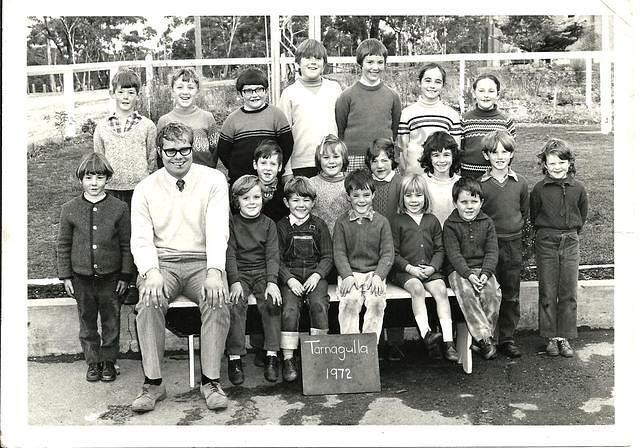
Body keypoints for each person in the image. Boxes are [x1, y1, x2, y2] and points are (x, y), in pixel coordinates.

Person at [129, 122, 230, 412]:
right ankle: (153, 383)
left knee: (217, 299)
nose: (178, 156)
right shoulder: (146, 188)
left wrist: (214, 271)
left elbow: (217, 228)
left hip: (202, 261)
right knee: (149, 301)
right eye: (171, 150)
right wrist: (150, 272)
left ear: (192, 148)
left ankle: (210, 381)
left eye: (184, 149)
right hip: (164, 263)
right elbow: (141, 237)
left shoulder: (213, 180)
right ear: (160, 152)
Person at [56, 153, 132, 383]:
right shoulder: (69, 209)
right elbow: (63, 244)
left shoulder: (119, 208)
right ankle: (93, 362)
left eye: (100, 177)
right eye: (89, 177)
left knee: (111, 321)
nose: (94, 183)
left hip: (111, 278)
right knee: (87, 322)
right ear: (81, 179)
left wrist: (125, 275)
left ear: (107, 179)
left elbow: (127, 244)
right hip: (82, 278)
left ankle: (109, 361)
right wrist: (66, 276)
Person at [93, 67, 157, 304]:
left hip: (139, 190)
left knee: (137, 235)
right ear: (113, 93)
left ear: (137, 95)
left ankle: (133, 281)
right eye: (122, 92)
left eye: (131, 92)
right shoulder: (102, 127)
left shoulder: (147, 126)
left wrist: (148, 184)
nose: (126, 97)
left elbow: (152, 159)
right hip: (112, 190)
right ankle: (113, 280)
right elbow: (98, 160)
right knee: (114, 235)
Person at [390, 174, 458, 362]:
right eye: (409, 196)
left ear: (425, 198)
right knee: (417, 289)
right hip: (405, 272)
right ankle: (426, 333)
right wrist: (410, 268)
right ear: (402, 198)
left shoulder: (432, 220)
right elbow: (393, 253)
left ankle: (448, 341)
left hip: (429, 270)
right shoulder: (397, 221)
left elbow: (440, 248)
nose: (414, 200)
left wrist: (432, 267)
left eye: (418, 196)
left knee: (441, 291)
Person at [530, 138, 588, 358]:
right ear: (544, 164)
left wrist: (570, 234)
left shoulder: (578, 188)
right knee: (548, 291)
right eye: (551, 163)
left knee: (568, 291)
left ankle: (564, 337)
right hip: (546, 241)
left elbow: (581, 215)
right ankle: (550, 338)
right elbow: (535, 215)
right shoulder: (539, 189)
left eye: (561, 162)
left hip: (570, 241)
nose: (557, 167)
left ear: (569, 162)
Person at [226, 175, 282, 385]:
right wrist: (234, 281)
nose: (252, 202)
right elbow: (229, 253)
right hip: (239, 272)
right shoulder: (231, 222)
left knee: (271, 302)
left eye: (256, 197)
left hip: (262, 272)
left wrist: (272, 282)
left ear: (263, 198)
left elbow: (272, 255)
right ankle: (235, 358)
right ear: (236, 201)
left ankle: (271, 356)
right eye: (246, 198)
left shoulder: (269, 224)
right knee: (235, 305)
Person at [277, 177, 333, 382]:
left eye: (306, 200)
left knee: (319, 305)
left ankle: (320, 355)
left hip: (314, 276)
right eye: (295, 200)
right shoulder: (281, 227)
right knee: (290, 310)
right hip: (291, 278)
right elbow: (277, 259)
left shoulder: (319, 225)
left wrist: (318, 274)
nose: (301, 205)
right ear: (286, 203)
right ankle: (288, 358)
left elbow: (328, 256)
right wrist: (289, 279)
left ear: (313, 202)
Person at [479, 131, 529, 358]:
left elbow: (524, 212)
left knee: (511, 292)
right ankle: (486, 337)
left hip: (513, 245)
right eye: (494, 152)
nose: (500, 156)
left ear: (511, 155)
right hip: (489, 247)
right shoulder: (482, 185)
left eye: (505, 151)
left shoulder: (520, 184)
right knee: (489, 291)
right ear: (486, 155)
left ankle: (507, 338)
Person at [333, 169, 394, 343]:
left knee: (376, 302)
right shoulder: (341, 222)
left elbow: (388, 253)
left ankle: (369, 348)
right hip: (350, 274)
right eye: (356, 195)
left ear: (373, 195)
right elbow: (339, 252)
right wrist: (347, 275)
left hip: (373, 274)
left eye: (366, 195)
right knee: (350, 301)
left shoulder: (382, 222)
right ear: (348, 197)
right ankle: (351, 346)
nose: (361, 200)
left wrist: (378, 276)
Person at [443, 177, 501, 360]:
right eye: (464, 202)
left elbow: (492, 252)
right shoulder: (450, 225)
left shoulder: (487, 223)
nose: (469, 206)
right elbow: (454, 255)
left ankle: (481, 338)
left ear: (481, 202)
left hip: (482, 269)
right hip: (459, 270)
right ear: (455, 203)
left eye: (474, 202)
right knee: (467, 294)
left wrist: (485, 274)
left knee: (492, 293)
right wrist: (468, 275)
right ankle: (485, 339)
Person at [278, 39, 343, 180]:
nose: (313, 62)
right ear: (298, 63)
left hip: (331, 162)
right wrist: (287, 170)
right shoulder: (289, 93)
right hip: (300, 164)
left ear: (324, 64)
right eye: (307, 58)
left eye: (318, 58)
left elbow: (342, 126)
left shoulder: (334, 89)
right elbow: (283, 136)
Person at [218, 68, 294, 185]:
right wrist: (238, 170)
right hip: (242, 183)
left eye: (259, 89)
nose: (254, 95)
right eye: (248, 91)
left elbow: (287, 146)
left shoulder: (276, 115)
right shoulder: (232, 120)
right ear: (241, 94)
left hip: (271, 181)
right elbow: (223, 151)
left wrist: (275, 167)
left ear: (266, 91)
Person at [335, 38, 402, 171]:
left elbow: (394, 130)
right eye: (370, 62)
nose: (375, 67)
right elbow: (340, 130)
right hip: (354, 158)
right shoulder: (346, 96)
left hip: (382, 158)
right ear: (361, 63)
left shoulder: (393, 96)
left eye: (380, 62)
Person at [365, 138, 404, 361]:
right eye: (375, 161)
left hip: (394, 246)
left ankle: (396, 342)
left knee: (393, 294)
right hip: (371, 247)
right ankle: (375, 342)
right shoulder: (366, 185)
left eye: (385, 160)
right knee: (374, 295)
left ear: (393, 161)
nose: (380, 165)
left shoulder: (399, 183)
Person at [397, 63, 461, 175]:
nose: (432, 85)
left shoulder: (451, 115)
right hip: (415, 178)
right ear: (419, 83)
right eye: (427, 80)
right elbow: (402, 150)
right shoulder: (407, 114)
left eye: (437, 82)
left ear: (443, 85)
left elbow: (455, 151)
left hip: (441, 178)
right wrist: (405, 176)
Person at [157, 67, 218, 168]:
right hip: (175, 176)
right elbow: (160, 156)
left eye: (190, 87)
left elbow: (215, 150)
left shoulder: (207, 118)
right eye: (180, 87)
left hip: (203, 176)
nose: (185, 92)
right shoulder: (164, 121)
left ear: (197, 91)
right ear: (172, 91)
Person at [460, 74, 516, 178]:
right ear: (474, 93)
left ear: (498, 94)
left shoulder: (506, 121)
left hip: (497, 177)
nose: (486, 95)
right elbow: (459, 150)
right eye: (481, 91)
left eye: (491, 91)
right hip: (470, 178)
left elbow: (510, 151)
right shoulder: (464, 119)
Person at [308, 134, 351, 235]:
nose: (331, 161)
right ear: (319, 159)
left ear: (343, 158)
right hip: (318, 239)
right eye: (326, 157)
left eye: (336, 157)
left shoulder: (351, 182)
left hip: (345, 239)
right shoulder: (311, 183)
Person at [419, 131, 462, 227]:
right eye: (436, 155)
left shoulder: (461, 183)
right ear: (429, 157)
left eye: (446, 155)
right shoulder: (421, 182)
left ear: (453, 156)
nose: (441, 160)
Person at [253, 140, 289, 223]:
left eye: (273, 164)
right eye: (263, 163)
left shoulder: (284, 193)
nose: (268, 168)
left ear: (279, 167)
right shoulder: (248, 189)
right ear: (255, 165)